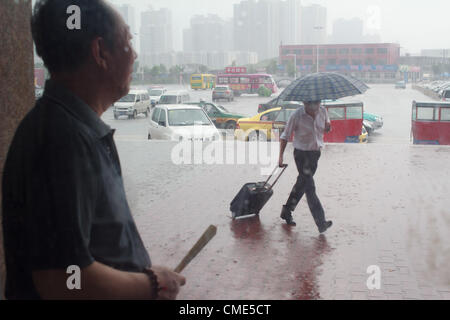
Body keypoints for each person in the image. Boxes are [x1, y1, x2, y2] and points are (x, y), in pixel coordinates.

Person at [1, 0, 185, 299]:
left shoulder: (71, 127)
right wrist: (154, 284)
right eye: (127, 41)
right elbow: (61, 278)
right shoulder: (62, 139)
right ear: (100, 53)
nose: (135, 55)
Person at [278, 101, 333, 233]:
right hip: (301, 155)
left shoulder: (323, 111)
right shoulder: (296, 115)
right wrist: (280, 156)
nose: (315, 106)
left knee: (302, 184)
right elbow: (285, 135)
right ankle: (321, 222)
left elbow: (327, 127)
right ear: (305, 103)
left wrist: (328, 127)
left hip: (315, 154)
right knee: (310, 188)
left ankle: (286, 211)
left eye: (318, 102)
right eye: (312, 103)